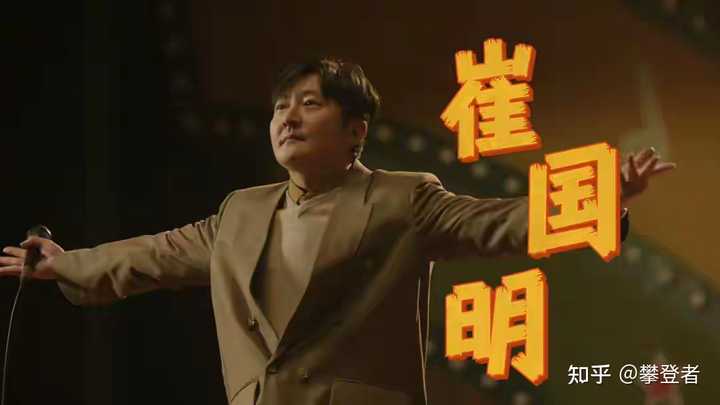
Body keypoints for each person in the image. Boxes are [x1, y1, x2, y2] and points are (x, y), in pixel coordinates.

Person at [0, 58, 675, 405]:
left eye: (309, 104)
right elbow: (155, 253)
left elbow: (499, 224)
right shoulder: (240, 212)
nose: (287, 118)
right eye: (279, 108)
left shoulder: (402, 198)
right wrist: (65, 263)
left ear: (356, 131)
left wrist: (600, 198)